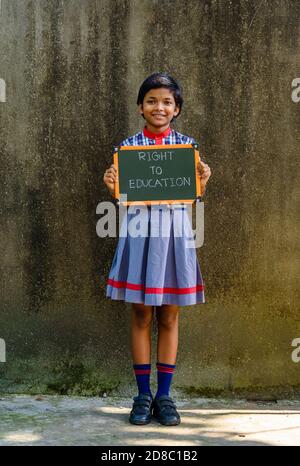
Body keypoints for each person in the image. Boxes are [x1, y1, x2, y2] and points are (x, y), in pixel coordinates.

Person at [103, 73, 211, 426]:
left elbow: (192, 194)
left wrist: (202, 183)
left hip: (176, 235)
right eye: (151, 100)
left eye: (167, 101)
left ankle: (164, 395)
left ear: (176, 109)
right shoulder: (128, 147)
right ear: (140, 106)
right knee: (140, 313)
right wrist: (113, 187)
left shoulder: (188, 148)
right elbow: (125, 198)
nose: (159, 107)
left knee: (169, 314)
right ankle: (142, 394)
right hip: (139, 232)